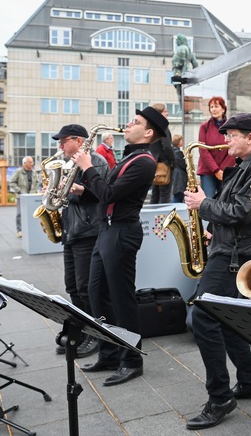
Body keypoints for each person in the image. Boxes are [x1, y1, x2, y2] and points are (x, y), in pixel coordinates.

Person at [182, 113, 251, 430]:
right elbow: (233, 209)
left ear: (250, 137)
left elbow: (242, 212)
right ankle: (249, 381)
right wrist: (212, 227)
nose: (225, 140)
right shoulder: (248, 164)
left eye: (231, 135)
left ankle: (219, 396)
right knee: (229, 319)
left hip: (234, 254)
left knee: (203, 317)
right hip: (229, 248)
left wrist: (203, 204)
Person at [73, 106, 169, 386]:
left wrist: (88, 168)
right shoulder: (130, 157)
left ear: (148, 132)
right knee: (96, 293)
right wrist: (84, 187)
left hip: (122, 231)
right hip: (107, 230)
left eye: (135, 122)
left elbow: (111, 193)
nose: (128, 124)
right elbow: (106, 193)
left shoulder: (144, 162)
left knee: (121, 298)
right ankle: (110, 352)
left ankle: (132, 359)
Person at [51, 124, 110, 358]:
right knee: (73, 287)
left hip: (88, 230)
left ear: (78, 140)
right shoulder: (67, 164)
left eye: (63, 140)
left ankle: (94, 335)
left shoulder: (97, 162)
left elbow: (103, 195)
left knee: (86, 289)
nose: (60, 145)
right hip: (71, 231)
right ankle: (81, 330)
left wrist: (79, 190)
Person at [198, 96, 235, 199]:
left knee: (224, 200)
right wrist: (216, 170)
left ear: (223, 109)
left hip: (225, 171)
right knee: (208, 200)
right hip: (208, 170)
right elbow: (203, 150)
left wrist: (222, 170)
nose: (213, 109)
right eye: (211, 107)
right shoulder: (204, 127)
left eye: (216, 106)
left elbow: (233, 148)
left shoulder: (231, 127)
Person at [148, 103, 176, 204]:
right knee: (165, 194)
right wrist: (172, 162)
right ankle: (164, 217)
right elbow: (167, 146)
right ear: (159, 113)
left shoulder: (151, 127)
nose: (167, 113)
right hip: (164, 164)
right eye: (165, 111)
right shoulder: (163, 126)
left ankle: (152, 217)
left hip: (154, 163)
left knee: (155, 193)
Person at [9, 156, 40, 238]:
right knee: (19, 214)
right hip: (21, 197)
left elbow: (37, 183)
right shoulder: (18, 171)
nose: (32, 163)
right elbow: (12, 182)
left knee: (32, 214)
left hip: (31, 197)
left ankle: (30, 230)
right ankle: (19, 231)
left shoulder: (34, 173)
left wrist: (33, 191)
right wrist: (20, 191)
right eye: (30, 162)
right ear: (24, 163)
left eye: (32, 162)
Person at [171, 134, 187, 203]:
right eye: (181, 140)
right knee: (178, 197)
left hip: (177, 177)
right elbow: (183, 165)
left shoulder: (173, 151)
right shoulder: (178, 152)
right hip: (180, 178)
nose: (183, 142)